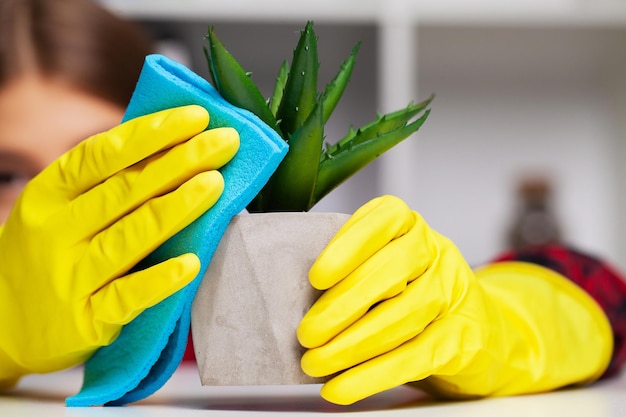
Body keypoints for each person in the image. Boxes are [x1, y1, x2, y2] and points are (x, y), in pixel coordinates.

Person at [0, 0, 624, 407]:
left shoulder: (221, 319)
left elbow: (602, 288)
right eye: (5, 173)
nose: (44, 212)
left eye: (98, 166)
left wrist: (505, 325)